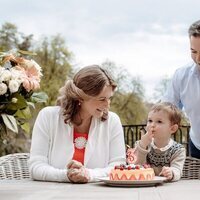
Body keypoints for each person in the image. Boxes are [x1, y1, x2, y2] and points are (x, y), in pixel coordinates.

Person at [29, 65, 126, 183]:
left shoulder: (113, 121)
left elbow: (118, 167)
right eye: (102, 99)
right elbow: (36, 167)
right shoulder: (47, 117)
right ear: (80, 97)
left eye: (109, 98)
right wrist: (66, 175)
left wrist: (89, 174)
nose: (107, 105)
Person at [163, 20, 200, 159]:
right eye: (194, 51)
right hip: (197, 146)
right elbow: (167, 109)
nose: (198, 58)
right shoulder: (181, 76)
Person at [134, 102, 186, 181]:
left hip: (167, 190)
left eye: (159, 121)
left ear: (172, 129)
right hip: (144, 188)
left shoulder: (178, 150)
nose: (152, 125)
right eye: (150, 120)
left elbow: (177, 169)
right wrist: (142, 146)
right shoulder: (141, 144)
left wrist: (171, 172)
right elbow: (136, 167)